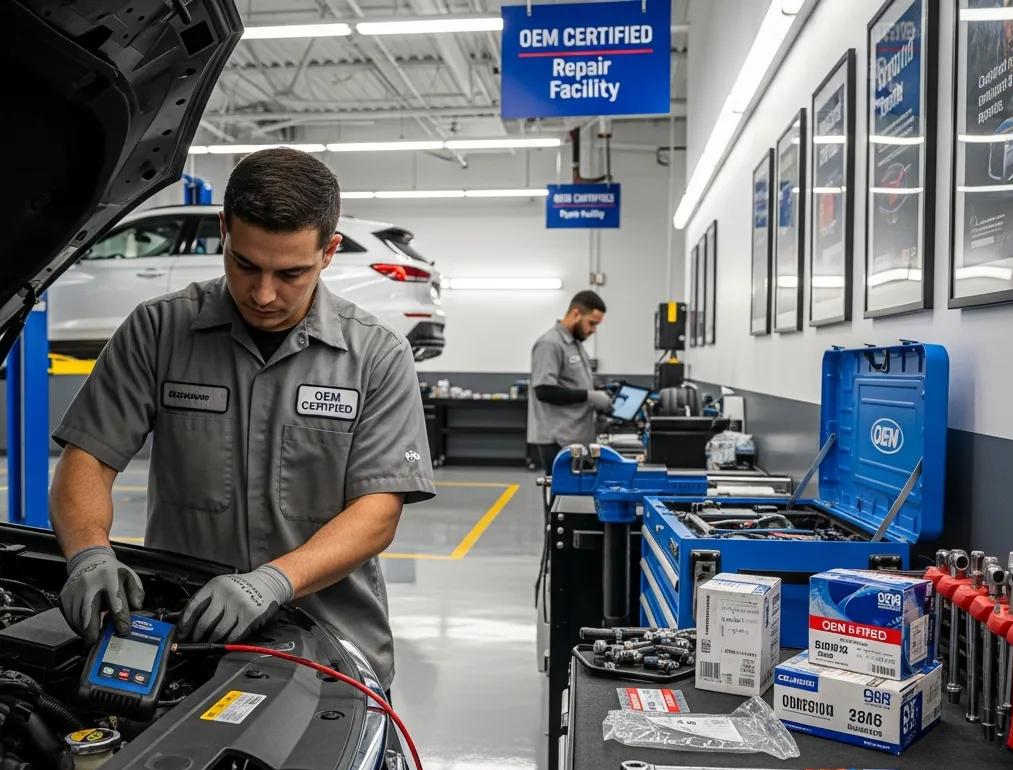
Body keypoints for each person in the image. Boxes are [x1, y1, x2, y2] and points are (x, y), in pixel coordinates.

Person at [48, 147, 435, 692]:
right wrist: (89, 553)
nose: (263, 293)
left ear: (329, 252)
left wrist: (275, 582)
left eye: (291, 272)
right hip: (189, 639)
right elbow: (88, 456)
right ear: (224, 230)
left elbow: (378, 511)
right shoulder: (158, 332)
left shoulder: (375, 355)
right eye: (245, 264)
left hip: (332, 652)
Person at [526, 290, 611, 473]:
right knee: (562, 499)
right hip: (558, 440)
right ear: (576, 314)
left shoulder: (575, 344)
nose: (593, 330)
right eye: (591, 323)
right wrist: (589, 396)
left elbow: (572, 382)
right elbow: (544, 390)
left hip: (576, 437)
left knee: (576, 499)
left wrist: (598, 390)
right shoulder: (550, 344)